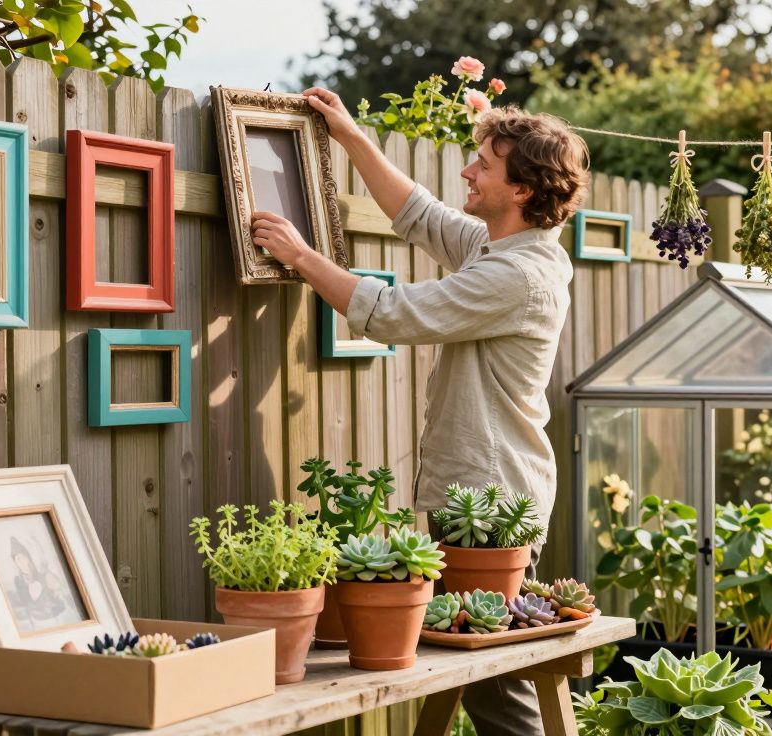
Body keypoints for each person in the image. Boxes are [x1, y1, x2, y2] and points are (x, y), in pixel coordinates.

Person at [251, 87, 587, 735]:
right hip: (479, 495)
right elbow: (420, 214)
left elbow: (396, 313)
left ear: (521, 191)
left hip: (491, 505)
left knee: (498, 687)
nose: (467, 172)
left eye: (483, 165)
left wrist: (301, 256)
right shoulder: (502, 248)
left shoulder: (519, 275)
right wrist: (351, 136)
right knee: (480, 670)